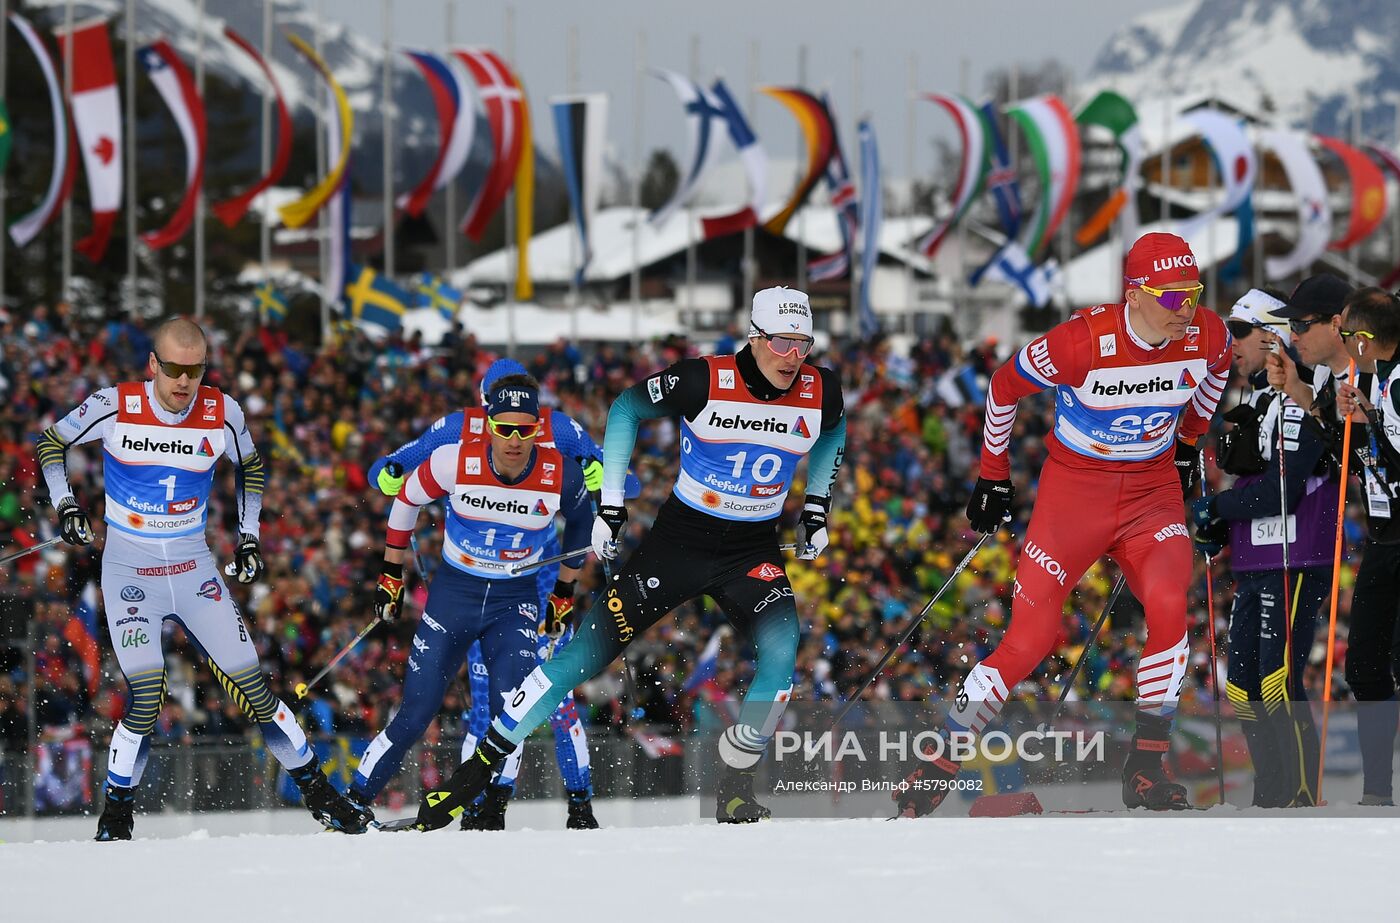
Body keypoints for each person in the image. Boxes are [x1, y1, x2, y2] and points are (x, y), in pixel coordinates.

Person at [403, 286, 847, 829]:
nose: (794, 357)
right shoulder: (702, 379)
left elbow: (833, 431)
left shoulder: (821, 389)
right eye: (782, 342)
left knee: (781, 658)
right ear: (753, 338)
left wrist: (817, 506)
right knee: (584, 654)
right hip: (680, 543)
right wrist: (609, 504)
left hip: (751, 550)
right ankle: (476, 771)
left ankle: (735, 785)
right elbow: (626, 409)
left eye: (804, 344)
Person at [898, 232, 1231, 816]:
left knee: (1168, 605)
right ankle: (942, 759)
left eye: (1193, 292)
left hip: (1151, 494)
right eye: (1172, 296)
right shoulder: (1081, 341)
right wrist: (992, 476)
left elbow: (1215, 377)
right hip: (1073, 496)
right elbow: (1003, 387)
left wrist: (1189, 442)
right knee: (1030, 640)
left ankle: (1146, 768)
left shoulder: (1208, 332)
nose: (1187, 308)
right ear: (1134, 293)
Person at [35, 316, 371, 839]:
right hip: (131, 572)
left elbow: (251, 467)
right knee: (147, 696)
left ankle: (321, 793)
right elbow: (50, 445)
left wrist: (249, 537)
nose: (183, 382)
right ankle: (117, 813)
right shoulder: (114, 404)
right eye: (172, 369)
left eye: (194, 370)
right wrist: (66, 507)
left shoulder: (222, 411)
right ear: (153, 365)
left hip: (193, 569)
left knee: (256, 691)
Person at [368, 358, 622, 829]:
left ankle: (580, 806)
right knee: (489, 702)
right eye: (494, 417)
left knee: (551, 697)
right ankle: (488, 804)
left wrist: (602, 479)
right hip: (481, 582)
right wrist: (387, 471)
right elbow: (396, 467)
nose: (510, 437)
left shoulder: (560, 430)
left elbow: (616, 488)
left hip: (537, 585)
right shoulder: (459, 428)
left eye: (522, 425)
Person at [1192, 286, 1343, 807]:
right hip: (1258, 554)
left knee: (1277, 679)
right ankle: (1269, 796)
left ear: (1272, 335)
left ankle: (1300, 795)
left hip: (1298, 553)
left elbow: (1285, 489)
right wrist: (1218, 519)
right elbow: (1251, 484)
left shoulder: (1306, 392)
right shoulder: (1254, 397)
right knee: (1242, 685)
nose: (1228, 342)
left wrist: (1218, 509)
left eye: (1240, 331)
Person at [1270, 285, 1400, 804]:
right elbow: (1348, 450)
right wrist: (1327, 407)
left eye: (1348, 335)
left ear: (1364, 338)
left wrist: (1371, 427)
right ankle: (1375, 793)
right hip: (1386, 535)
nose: (1342, 342)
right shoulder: (1366, 376)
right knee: (1365, 664)